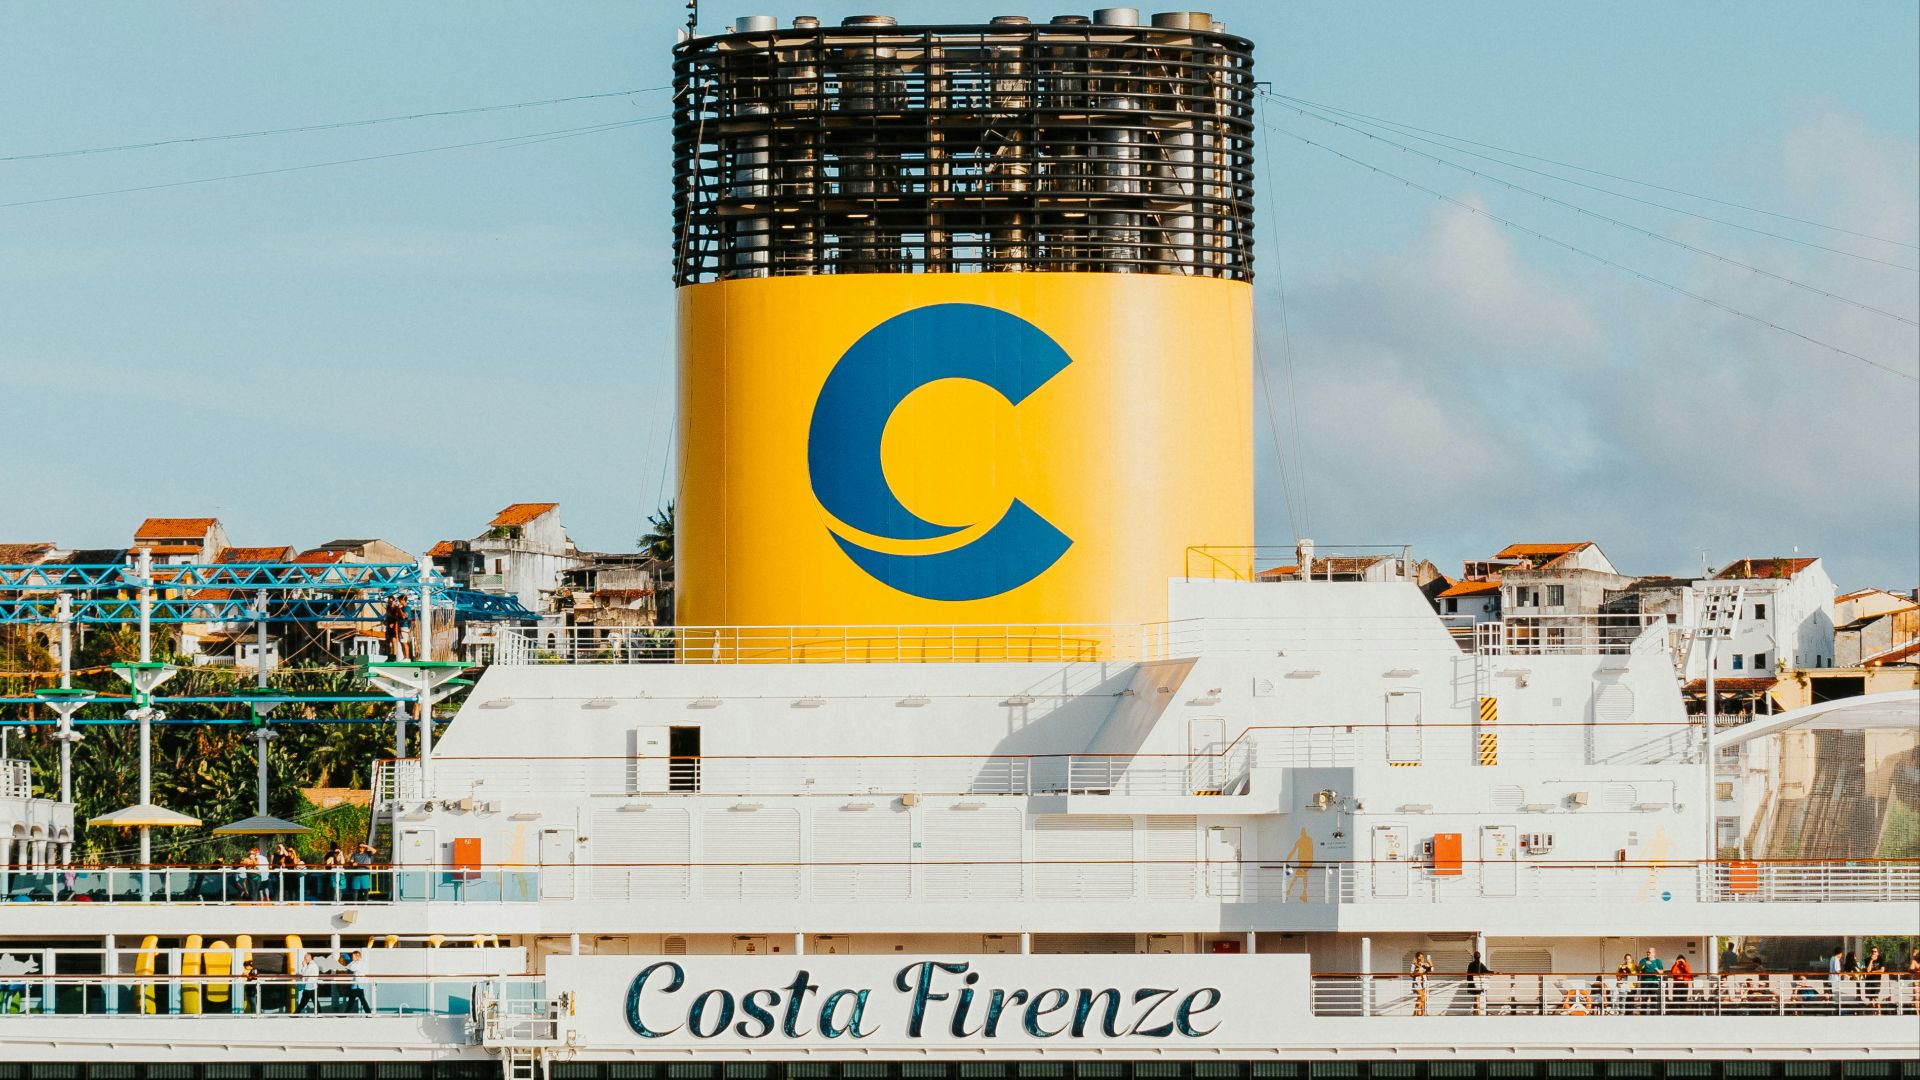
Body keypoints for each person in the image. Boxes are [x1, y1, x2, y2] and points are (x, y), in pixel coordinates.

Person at [1635, 947, 1664, 1015]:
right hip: (1644, 982)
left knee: (1654, 999)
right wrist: (1641, 966)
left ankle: (1653, 1014)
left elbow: (1662, 972)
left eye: (1649, 952)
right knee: (1644, 998)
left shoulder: (1658, 961)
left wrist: (1657, 970)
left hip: (1654, 982)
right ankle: (1643, 1014)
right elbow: (1638, 970)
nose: (1648, 953)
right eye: (1647, 952)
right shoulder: (1643, 960)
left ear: (1654, 953)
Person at [1465, 951, 1491, 1016]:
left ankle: (1476, 1011)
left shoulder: (1471, 965)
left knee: (1475, 998)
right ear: (1479, 957)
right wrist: (1493, 972)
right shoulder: (1480, 964)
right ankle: (1477, 1011)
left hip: (1472, 984)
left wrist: (1470, 981)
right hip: (1478, 984)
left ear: (1474, 957)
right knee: (1477, 998)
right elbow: (1487, 971)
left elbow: (1468, 976)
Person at [1861, 946, 1885, 1014]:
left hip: (1876, 981)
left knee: (1876, 997)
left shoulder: (1881, 959)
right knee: (1871, 998)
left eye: (1875, 951)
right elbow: (1868, 970)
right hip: (1869, 981)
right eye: (1872, 951)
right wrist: (1871, 960)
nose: (1873, 953)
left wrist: (1873, 972)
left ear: (1878, 953)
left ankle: (1879, 1012)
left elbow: (1882, 970)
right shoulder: (1867, 960)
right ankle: (1873, 1012)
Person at [1410, 951, 1433, 1016]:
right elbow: (1411, 974)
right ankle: (1417, 1013)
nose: (1421, 958)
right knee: (1422, 997)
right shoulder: (1414, 964)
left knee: (1422, 998)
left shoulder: (1424, 964)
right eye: (1419, 957)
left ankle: (1418, 1013)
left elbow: (1431, 970)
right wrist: (1417, 973)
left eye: (1422, 957)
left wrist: (1430, 963)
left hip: (1424, 983)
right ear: (1417, 957)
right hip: (1417, 983)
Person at [1827, 944, 1847, 1015]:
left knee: (1832, 997)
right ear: (1840, 953)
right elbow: (1837, 971)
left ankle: (1832, 1011)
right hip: (1835, 981)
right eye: (1842, 953)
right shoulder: (1836, 959)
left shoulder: (1832, 958)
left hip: (1830, 980)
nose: (1842, 955)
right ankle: (1838, 1012)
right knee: (1837, 997)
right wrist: (1844, 974)